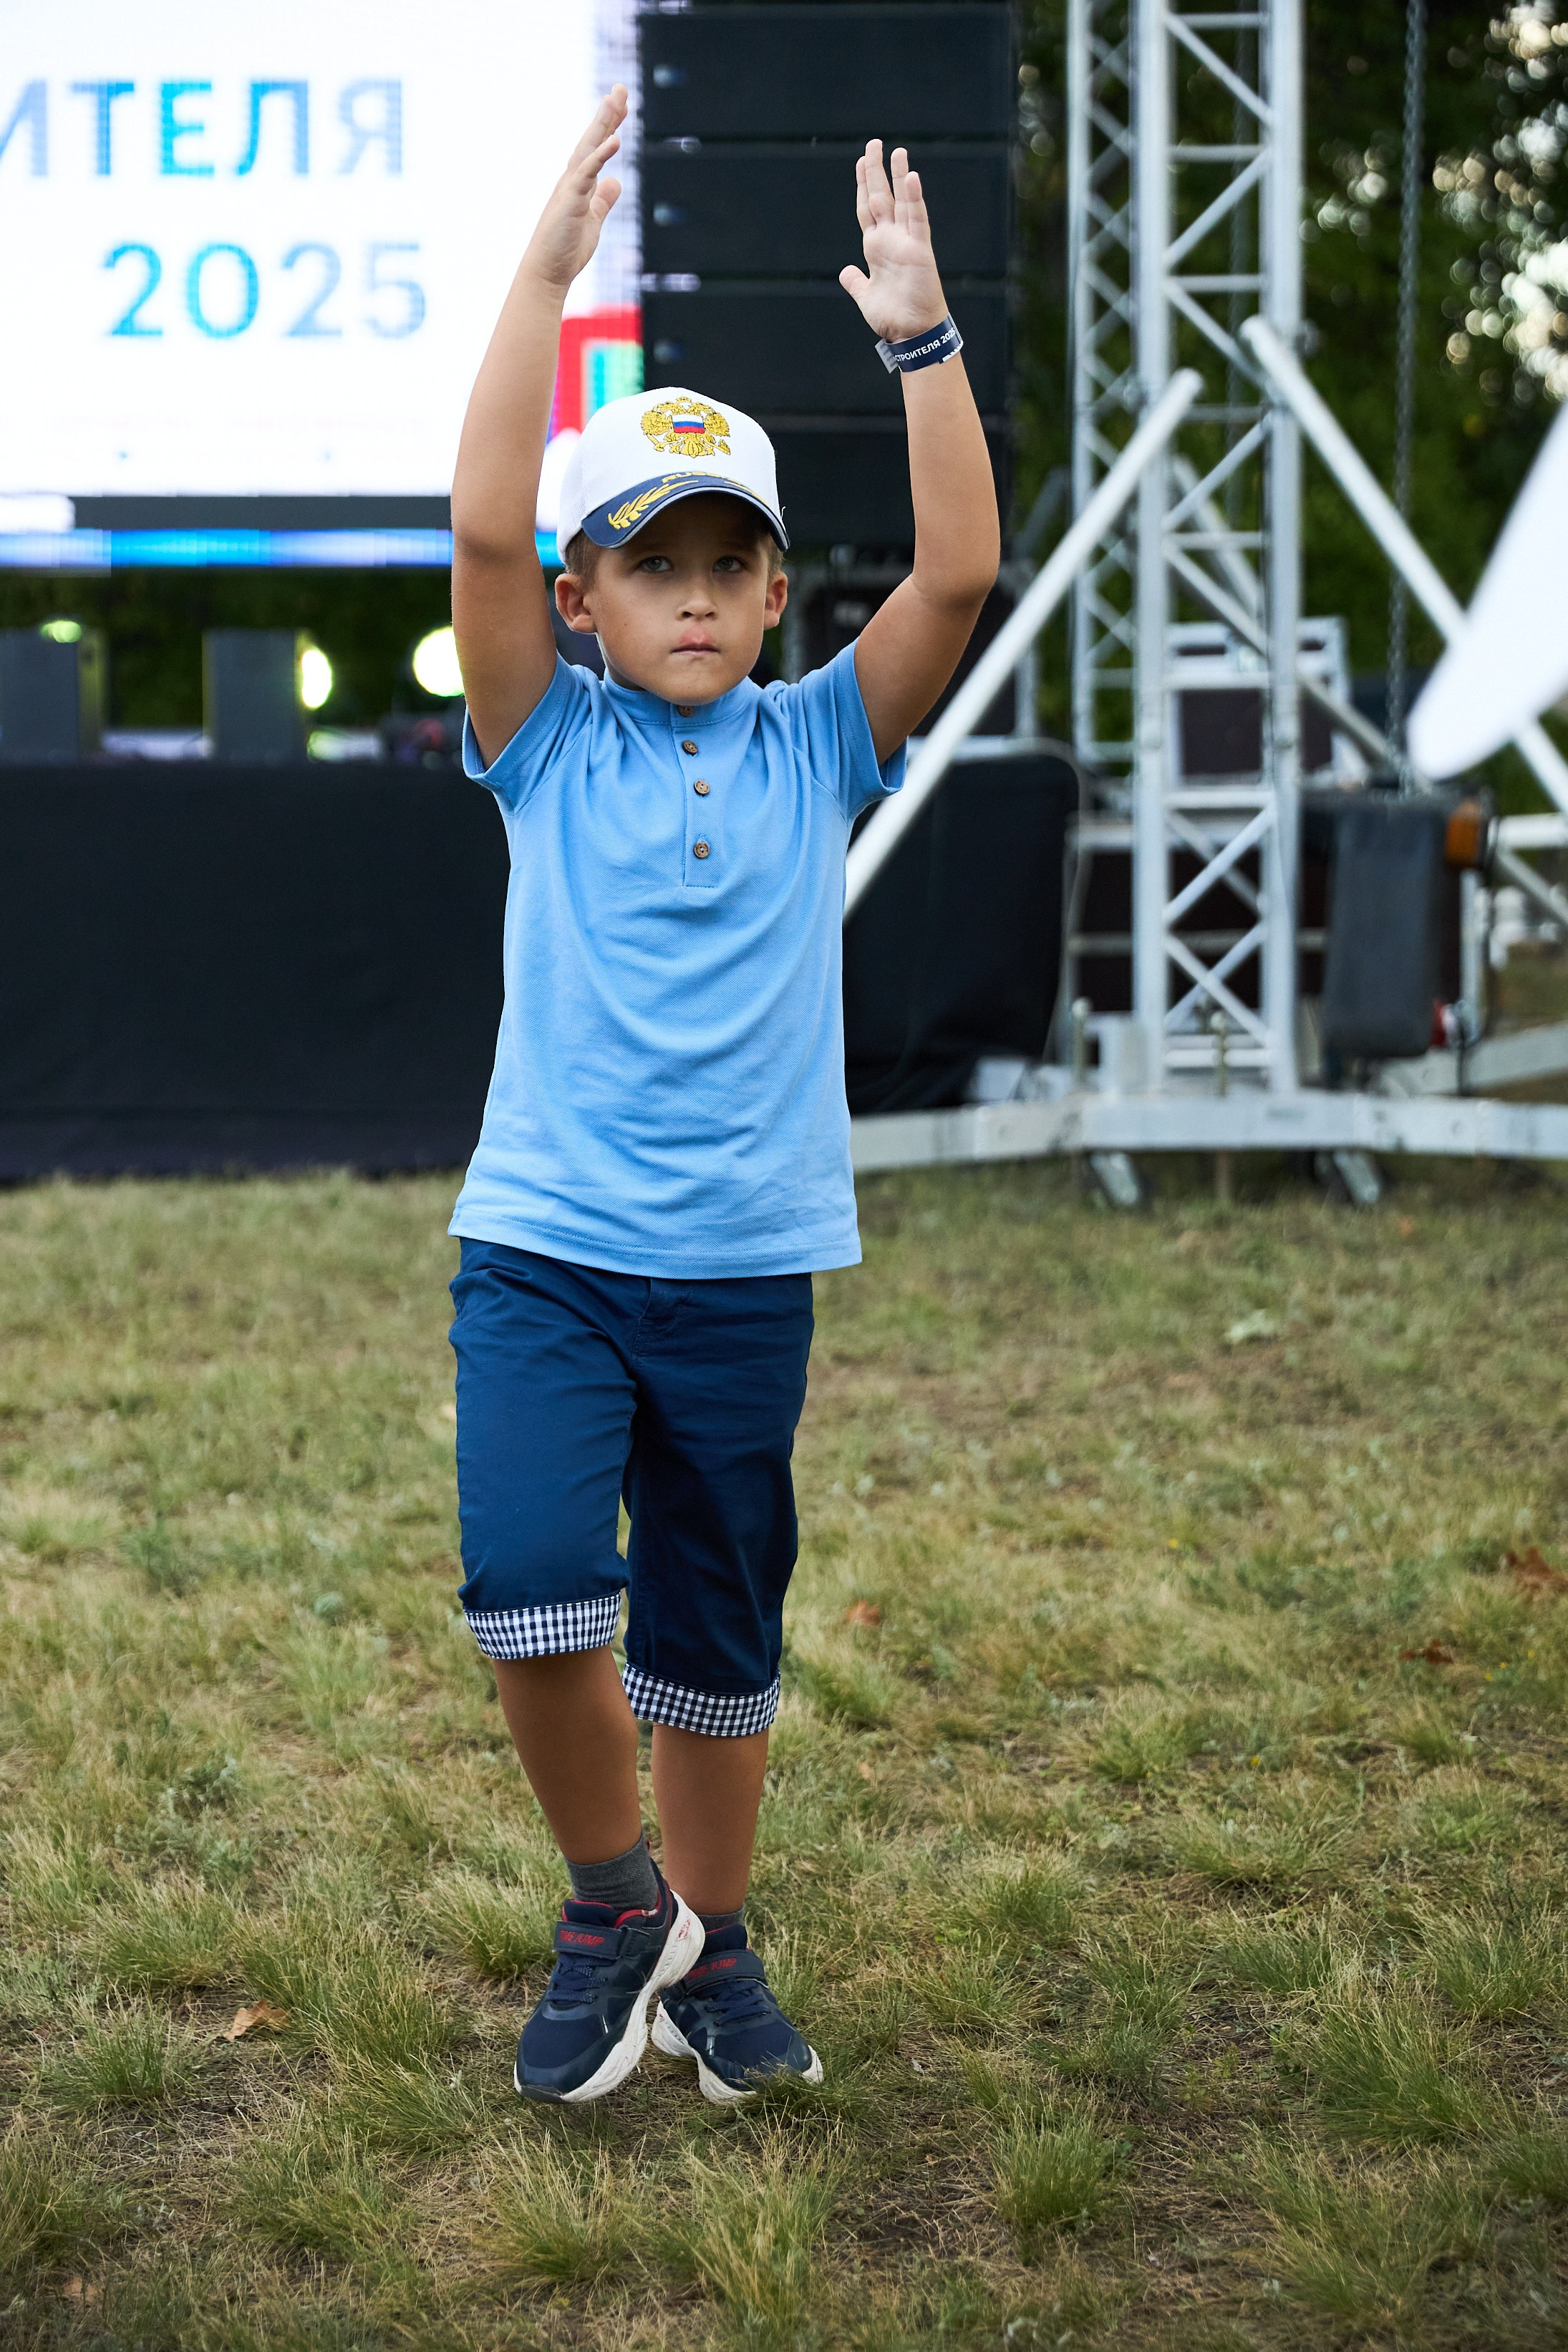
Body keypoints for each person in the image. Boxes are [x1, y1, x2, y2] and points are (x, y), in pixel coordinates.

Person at [447, 84, 998, 2106]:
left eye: (728, 561)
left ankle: (713, 1947)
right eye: (648, 560)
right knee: (525, 1584)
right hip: (546, 1253)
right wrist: (535, 280)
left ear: (776, 599)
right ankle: (619, 1906)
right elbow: (486, 524)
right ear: (587, 603)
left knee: (713, 1636)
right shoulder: (542, 737)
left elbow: (956, 575)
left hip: (746, 1268)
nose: (689, 589)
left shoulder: (814, 748)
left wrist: (922, 343)